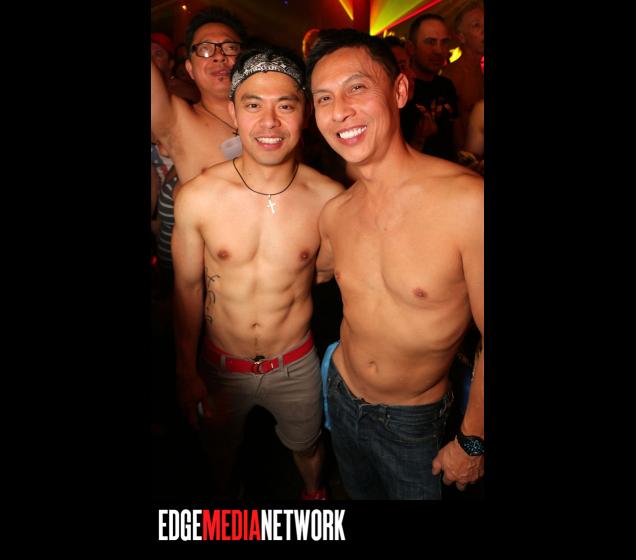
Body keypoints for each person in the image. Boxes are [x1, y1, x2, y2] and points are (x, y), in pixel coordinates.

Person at [306, 28, 484, 499]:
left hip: (413, 422)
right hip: (340, 395)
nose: (339, 110)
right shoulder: (335, 213)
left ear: (400, 91)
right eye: (323, 98)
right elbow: (307, 275)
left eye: (357, 87)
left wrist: (473, 440)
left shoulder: (468, 203)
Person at [171, 46, 344, 499]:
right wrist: (185, 369)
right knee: (219, 451)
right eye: (253, 105)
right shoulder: (198, 196)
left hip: (295, 362)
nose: (269, 122)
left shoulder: (330, 198)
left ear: (305, 114)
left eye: (285, 106)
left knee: (308, 448)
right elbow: (186, 286)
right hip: (219, 365)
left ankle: (314, 499)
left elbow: (327, 274)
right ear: (233, 111)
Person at [151, 7, 247, 184]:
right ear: (190, 69)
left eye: (230, 47)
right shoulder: (178, 121)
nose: (219, 56)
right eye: (205, 49)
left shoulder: (274, 115)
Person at [407, 14, 458, 162]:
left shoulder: (447, 86)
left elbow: (455, 139)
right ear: (411, 48)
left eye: (444, 42)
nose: (439, 50)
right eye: (430, 42)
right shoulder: (403, 90)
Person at [441, 2, 484, 150]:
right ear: (461, 36)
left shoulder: (479, 71)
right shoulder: (453, 76)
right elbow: (453, 134)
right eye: (476, 25)